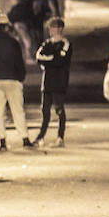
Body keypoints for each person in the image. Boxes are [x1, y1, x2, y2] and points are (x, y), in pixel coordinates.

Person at [0, 17, 31, 150]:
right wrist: (21, 77)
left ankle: (2, 141)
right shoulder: (13, 43)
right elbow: (19, 62)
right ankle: (25, 138)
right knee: (18, 110)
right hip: (12, 80)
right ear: (6, 27)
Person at [33, 17, 73, 148]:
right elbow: (39, 57)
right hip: (47, 82)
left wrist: (49, 60)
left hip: (59, 81)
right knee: (45, 111)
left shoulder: (66, 44)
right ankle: (40, 137)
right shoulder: (46, 44)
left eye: (52, 27)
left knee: (59, 109)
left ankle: (60, 137)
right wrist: (52, 59)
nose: (50, 30)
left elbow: (61, 60)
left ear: (60, 29)